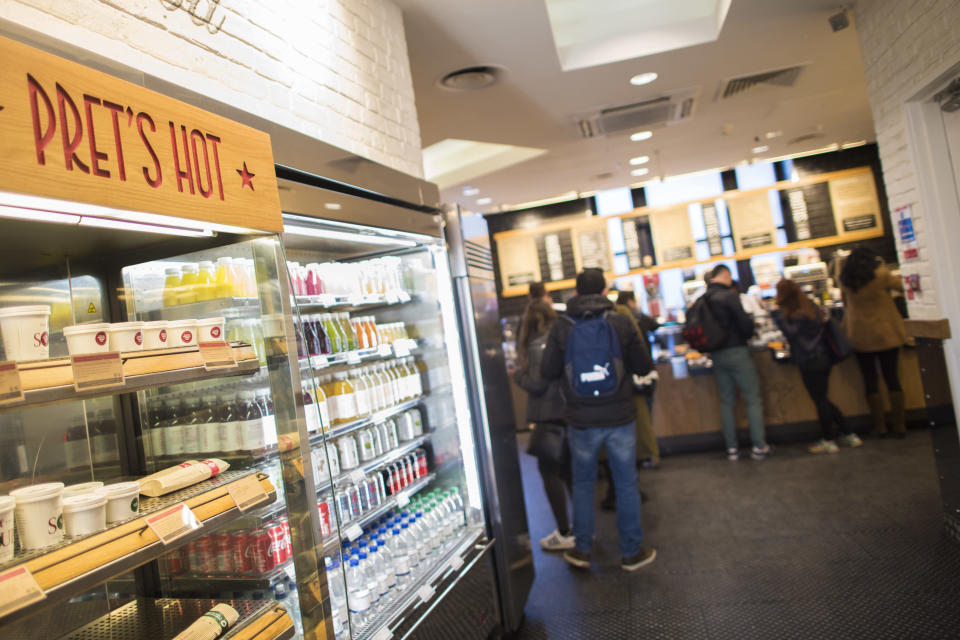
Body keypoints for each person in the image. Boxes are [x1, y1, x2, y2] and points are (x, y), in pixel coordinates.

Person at [541, 268, 656, 571]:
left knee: (582, 483)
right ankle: (632, 553)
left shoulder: (561, 326)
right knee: (626, 483)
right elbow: (643, 365)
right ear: (605, 291)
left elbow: (548, 371)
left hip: (580, 419)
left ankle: (581, 550)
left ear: (576, 293)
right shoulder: (620, 321)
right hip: (620, 415)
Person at [771, 279, 863, 454]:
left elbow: (791, 333)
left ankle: (830, 439)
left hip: (809, 361)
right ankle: (848, 434)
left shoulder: (795, 314)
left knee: (820, 400)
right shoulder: (810, 307)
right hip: (823, 358)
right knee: (823, 399)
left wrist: (776, 315)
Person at [512, 299, 574, 551]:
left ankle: (565, 531)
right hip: (569, 411)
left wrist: (519, 375)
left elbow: (538, 384)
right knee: (570, 473)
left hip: (548, 415)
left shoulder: (537, 345)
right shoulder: (562, 336)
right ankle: (582, 529)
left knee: (550, 474)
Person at [703, 264, 770, 461]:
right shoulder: (730, 296)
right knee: (752, 399)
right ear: (725, 276)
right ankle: (759, 446)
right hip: (737, 351)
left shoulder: (703, 299)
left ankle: (731, 448)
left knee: (726, 401)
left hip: (716, 354)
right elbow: (745, 326)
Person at [839, 247, 908, 437]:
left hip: (860, 336)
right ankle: (900, 425)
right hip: (885, 333)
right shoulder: (882, 275)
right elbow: (903, 286)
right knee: (892, 378)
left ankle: (880, 426)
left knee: (869, 381)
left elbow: (844, 304)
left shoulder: (845, 279)